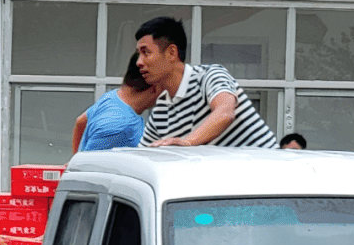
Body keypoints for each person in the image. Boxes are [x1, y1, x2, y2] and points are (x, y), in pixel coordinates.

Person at [135, 16, 278, 149]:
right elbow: (143, 157)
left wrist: (187, 142)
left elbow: (225, 112)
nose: (139, 62)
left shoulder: (210, 76)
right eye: (138, 54)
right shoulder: (160, 112)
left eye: (146, 52)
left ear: (172, 52)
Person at [71, 53, 159, 154]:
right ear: (155, 86)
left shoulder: (114, 97)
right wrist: (76, 163)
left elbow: (80, 121)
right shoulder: (121, 126)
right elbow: (88, 165)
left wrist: (75, 158)